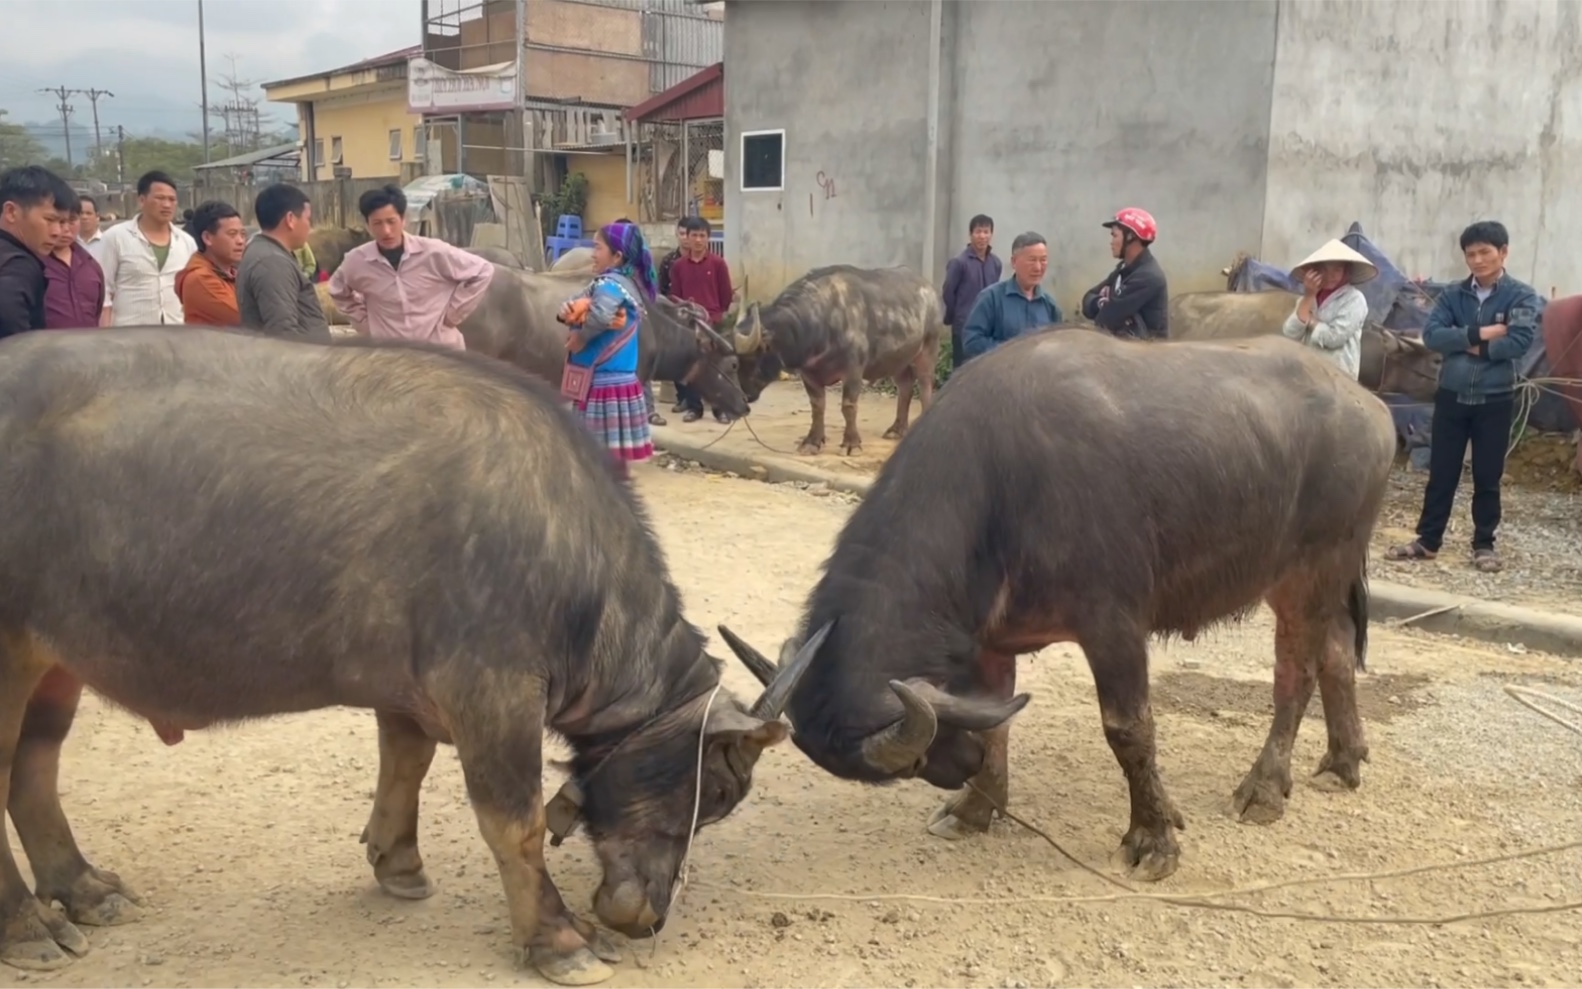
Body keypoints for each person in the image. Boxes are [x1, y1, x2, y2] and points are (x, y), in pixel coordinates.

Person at [1387, 220, 1542, 574]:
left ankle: (1484, 545)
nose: (1477, 260)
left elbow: (1518, 343)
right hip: (1452, 396)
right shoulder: (1454, 295)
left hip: (1495, 398)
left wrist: (1466, 344)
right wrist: (1482, 334)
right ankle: (1428, 541)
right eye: (1470, 254)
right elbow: (1434, 336)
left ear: (1503, 252)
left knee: (1488, 476)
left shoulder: (1521, 295)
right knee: (1442, 472)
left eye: (1485, 252)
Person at [328, 184, 494, 350]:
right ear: (367, 225)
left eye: (391, 222)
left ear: (403, 220)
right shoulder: (357, 261)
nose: (386, 231)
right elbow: (337, 289)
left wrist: (453, 314)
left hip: (442, 355)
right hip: (392, 358)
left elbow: (483, 270)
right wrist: (365, 324)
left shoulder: (433, 252)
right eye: (377, 223)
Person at [557, 221, 657, 478]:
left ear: (617, 256)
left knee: (598, 453)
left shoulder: (608, 285)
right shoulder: (625, 284)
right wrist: (567, 312)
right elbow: (572, 305)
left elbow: (601, 317)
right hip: (620, 378)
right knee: (615, 453)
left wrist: (580, 337)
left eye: (598, 247)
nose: (592, 253)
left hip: (603, 382)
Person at [98, 170, 197, 326]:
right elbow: (103, 292)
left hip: (175, 332)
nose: (167, 205)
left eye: (172, 199)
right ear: (142, 200)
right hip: (129, 334)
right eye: (160, 198)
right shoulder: (115, 237)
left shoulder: (186, 242)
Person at [236, 183, 331, 341]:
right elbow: (283, 333)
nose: (310, 227)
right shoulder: (271, 262)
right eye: (308, 219)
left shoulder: (266, 253)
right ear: (290, 219)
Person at [666, 215, 736, 423]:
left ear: (708, 238)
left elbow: (726, 297)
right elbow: (675, 296)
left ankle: (719, 410)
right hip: (689, 324)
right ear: (686, 237)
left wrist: (715, 317)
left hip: (713, 323)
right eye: (694, 235)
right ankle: (694, 408)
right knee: (692, 368)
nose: (698, 240)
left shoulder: (718, 264)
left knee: (715, 369)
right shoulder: (678, 266)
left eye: (702, 236)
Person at [1279, 239, 1375, 379]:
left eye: (1337, 270)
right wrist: (1309, 296)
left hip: (1340, 380)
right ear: (1315, 272)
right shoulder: (1309, 297)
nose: (1331, 276)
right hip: (1309, 375)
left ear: (1346, 272)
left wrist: (1311, 321)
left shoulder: (1354, 300)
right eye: (1325, 270)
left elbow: (1333, 337)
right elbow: (1290, 334)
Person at [0, 164, 76, 338]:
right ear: (11, 212)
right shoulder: (17, 265)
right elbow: (15, 343)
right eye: (50, 219)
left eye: (62, 222)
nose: (57, 231)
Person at [961, 230, 1061, 361]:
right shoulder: (991, 298)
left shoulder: (1049, 306)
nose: (1038, 267)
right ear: (1014, 262)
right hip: (1000, 377)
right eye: (1032, 260)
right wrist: (1013, 353)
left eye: (1043, 260)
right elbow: (971, 341)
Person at [1081, 207, 1169, 340]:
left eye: (1115, 236)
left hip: (1147, 356)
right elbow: (1087, 301)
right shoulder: (1125, 270)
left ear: (1130, 237)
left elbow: (1105, 320)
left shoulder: (1147, 277)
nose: (1111, 242)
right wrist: (1102, 302)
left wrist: (1104, 305)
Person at [941, 214, 1001, 373]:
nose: (982, 236)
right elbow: (948, 292)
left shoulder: (995, 263)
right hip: (964, 326)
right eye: (978, 232)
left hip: (988, 327)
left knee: (986, 367)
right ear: (970, 234)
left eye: (986, 232)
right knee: (962, 370)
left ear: (991, 235)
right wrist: (955, 317)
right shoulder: (959, 263)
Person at [176, 200, 247, 327]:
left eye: (242, 234)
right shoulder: (200, 278)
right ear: (207, 238)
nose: (240, 241)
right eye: (232, 234)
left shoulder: (231, 273)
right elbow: (247, 317)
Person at [41, 195, 106, 329]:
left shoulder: (90, 265)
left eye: (71, 221)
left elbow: (97, 310)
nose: (65, 229)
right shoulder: (34, 264)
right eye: (58, 221)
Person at [77, 194, 106, 263]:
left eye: (88, 213)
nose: (84, 217)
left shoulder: (108, 242)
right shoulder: (69, 243)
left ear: (97, 217)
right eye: (80, 213)